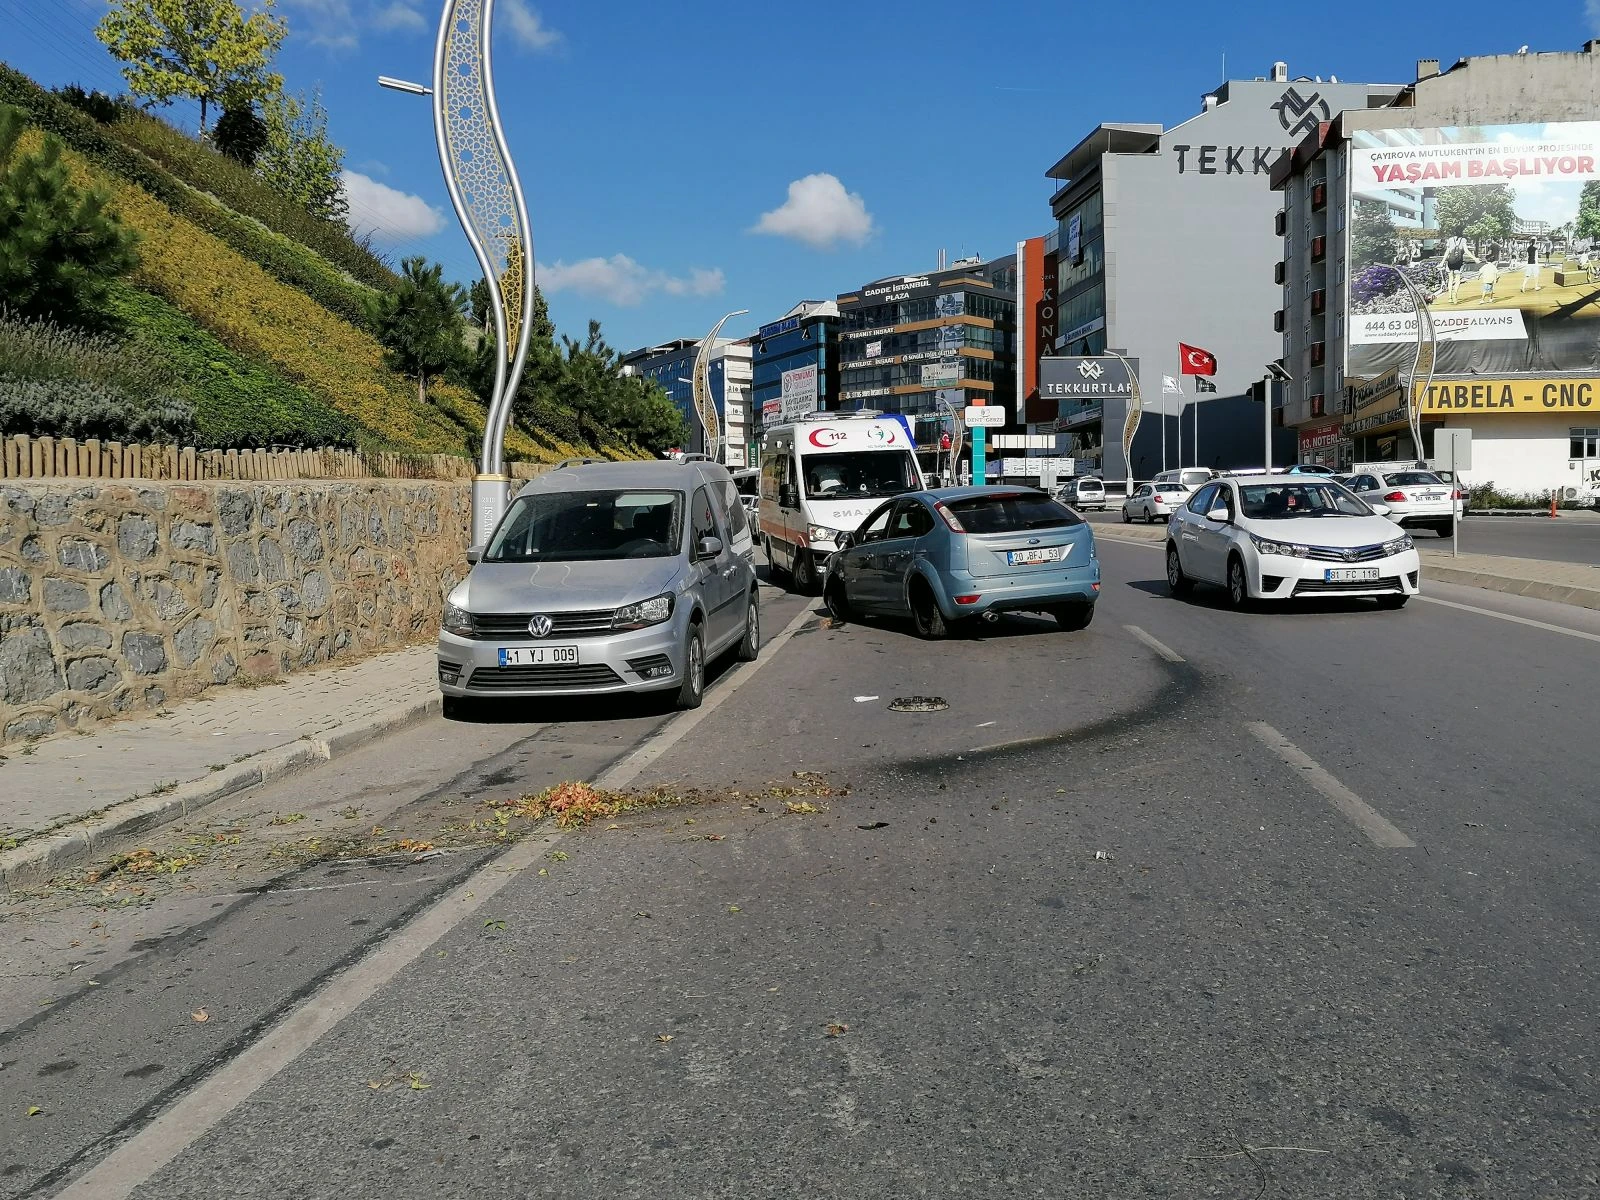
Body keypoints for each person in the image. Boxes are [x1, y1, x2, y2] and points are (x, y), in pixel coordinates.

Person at [1445, 237, 1467, 303]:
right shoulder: (1463, 240)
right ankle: (1455, 293)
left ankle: (1449, 297)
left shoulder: (1450, 239)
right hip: (1458, 263)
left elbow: (1447, 252)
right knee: (1457, 280)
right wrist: (1474, 258)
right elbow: (1466, 251)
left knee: (1450, 280)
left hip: (1450, 262)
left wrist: (1442, 262)